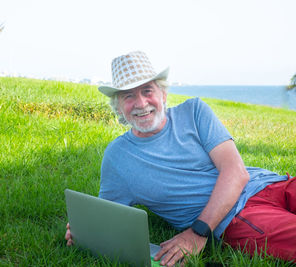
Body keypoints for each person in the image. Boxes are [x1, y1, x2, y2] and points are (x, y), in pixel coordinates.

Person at [65, 51, 296, 266]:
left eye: (147, 91)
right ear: (118, 107)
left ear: (163, 94)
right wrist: (83, 230)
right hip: (237, 215)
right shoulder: (118, 157)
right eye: (128, 96)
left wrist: (197, 233)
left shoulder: (194, 111)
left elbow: (236, 171)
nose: (141, 103)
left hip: (271, 183)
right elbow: (106, 216)